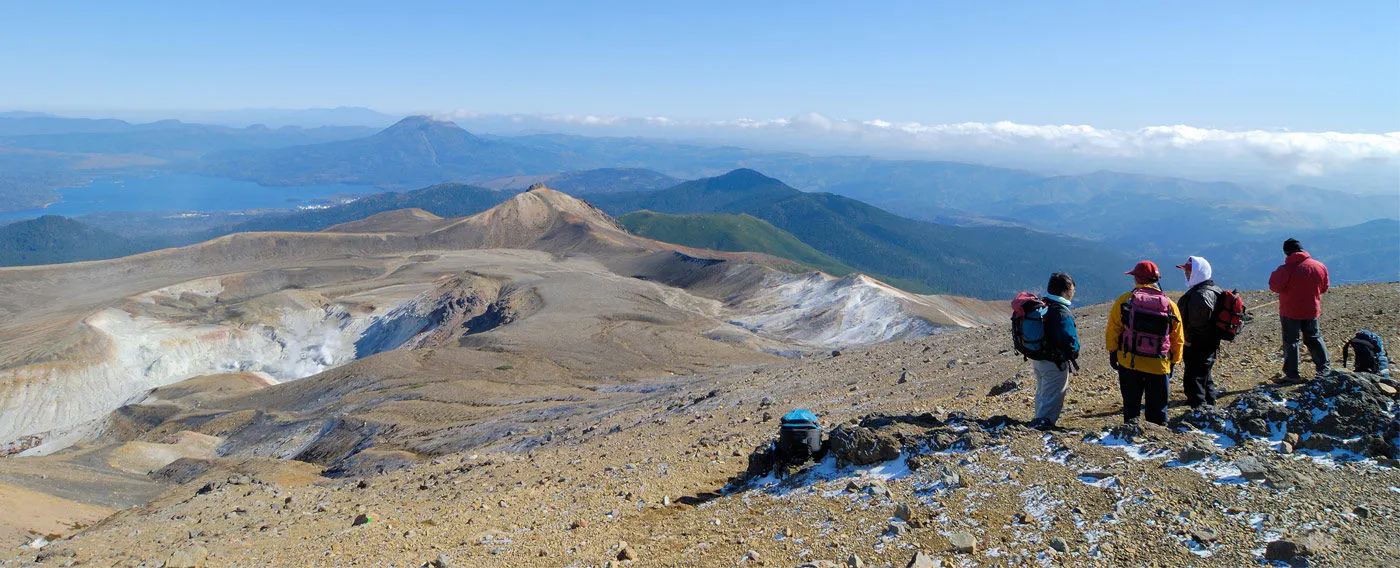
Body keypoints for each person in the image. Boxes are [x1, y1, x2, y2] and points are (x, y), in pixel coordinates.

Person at [1106, 261, 1184, 425]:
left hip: (1129, 362)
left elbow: (1113, 329)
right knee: (1157, 410)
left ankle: (1130, 433)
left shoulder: (1125, 300)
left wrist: (1113, 352)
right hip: (1159, 365)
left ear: (1137, 278)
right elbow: (1177, 338)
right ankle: (1156, 436)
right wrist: (1174, 361)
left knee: (1131, 406)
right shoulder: (1170, 306)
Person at [1269, 238, 1330, 384]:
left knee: (1291, 341)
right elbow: (1324, 287)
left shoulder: (1285, 270)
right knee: (1314, 337)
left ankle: (1292, 374)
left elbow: (1274, 286)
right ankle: (1324, 369)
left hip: (1290, 311)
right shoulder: (1319, 266)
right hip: (1311, 310)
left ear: (1286, 252)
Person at [1030, 272, 1080, 430]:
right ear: (1067, 290)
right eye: (1072, 289)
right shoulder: (1061, 311)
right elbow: (1069, 339)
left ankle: (1039, 419)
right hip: (1054, 361)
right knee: (1052, 395)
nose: (1073, 292)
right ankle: (1043, 425)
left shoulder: (1044, 305)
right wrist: (1074, 351)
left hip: (1038, 357)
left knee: (1043, 391)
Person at [1176, 256, 1222, 411]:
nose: (1186, 274)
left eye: (1189, 271)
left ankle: (1199, 411)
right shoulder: (1213, 290)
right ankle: (1210, 405)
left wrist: (1187, 340)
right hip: (1209, 343)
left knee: (1194, 379)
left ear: (1198, 272)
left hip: (1197, 345)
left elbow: (1197, 323)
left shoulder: (1199, 295)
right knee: (1204, 375)